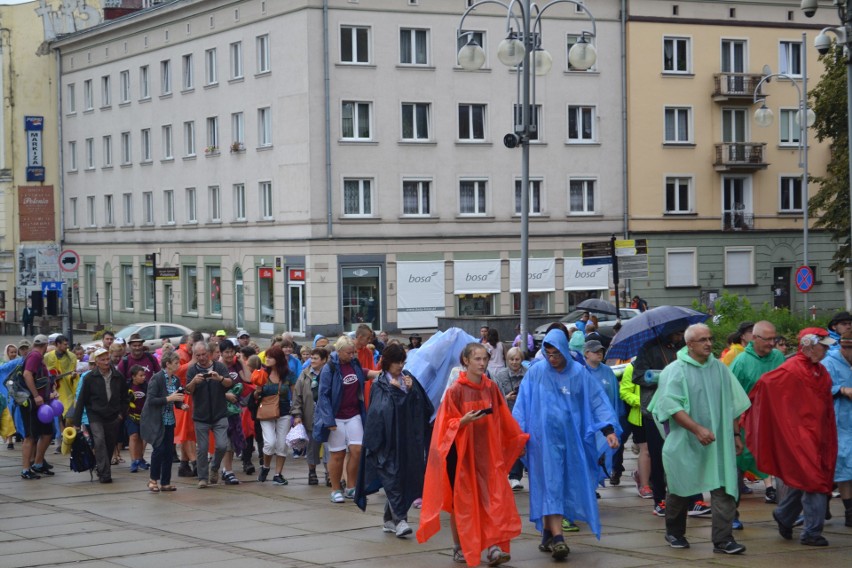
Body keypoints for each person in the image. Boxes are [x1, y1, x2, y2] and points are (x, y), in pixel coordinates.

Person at [417, 342, 528, 567]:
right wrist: (462, 421)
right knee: (463, 504)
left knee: (493, 498)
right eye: (477, 359)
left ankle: (494, 546)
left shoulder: (491, 388)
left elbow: (503, 416)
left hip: (486, 454)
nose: (482, 363)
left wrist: (515, 438)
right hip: (460, 456)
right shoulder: (455, 391)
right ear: (466, 361)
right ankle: (460, 547)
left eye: (485, 359)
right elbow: (443, 425)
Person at [512, 330, 619, 560]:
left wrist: (608, 430)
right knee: (550, 485)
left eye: (556, 353)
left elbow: (597, 401)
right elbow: (521, 406)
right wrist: (518, 437)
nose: (552, 358)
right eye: (548, 354)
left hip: (572, 442)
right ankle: (559, 538)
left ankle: (549, 532)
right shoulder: (536, 373)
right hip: (542, 443)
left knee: (564, 485)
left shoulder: (579, 374)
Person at [647, 323, 750, 555]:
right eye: (703, 340)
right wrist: (697, 429)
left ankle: (723, 540)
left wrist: (734, 434)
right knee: (681, 487)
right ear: (689, 344)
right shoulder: (676, 370)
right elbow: (671, 406)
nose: (709, 344)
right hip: (686, 442)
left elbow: (733, 403)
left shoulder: (720, 369)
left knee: (723, 486)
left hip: (719, 442)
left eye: (710, 338)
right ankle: (674, 532)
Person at [744, 328, 837, 547]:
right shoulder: (792, 369)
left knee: (806, 479)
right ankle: (812, 533)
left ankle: (785, 515)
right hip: (800, 437)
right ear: (809, 344)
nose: (826, 348)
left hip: (817, 435)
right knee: (814, 480)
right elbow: (764, 386)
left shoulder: (819, 370)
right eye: (822, 344)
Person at [355, 344, 433, 538]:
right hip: (388, 442)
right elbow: (379, 413)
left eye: (402, 362)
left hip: (409, 440)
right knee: (393, 477)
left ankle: (390, 520)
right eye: (397, 362)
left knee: (405, 478)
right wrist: (397, 393)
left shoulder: (409, 379)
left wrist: (411, 390)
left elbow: (423, 408)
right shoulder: (380, 385)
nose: (400, 366)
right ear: (387, 363)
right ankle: (401, 521)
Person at [633, 328, 710, 517]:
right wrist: (663, 377)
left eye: (682, 333)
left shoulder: (685, 349)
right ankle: (660, 500)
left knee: (688, 455)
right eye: (676, 332)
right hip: (656, 411)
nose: (679, 336)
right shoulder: (649, 348)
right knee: (658, 456)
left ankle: (695, 500)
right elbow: (638, 376)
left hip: (684, 411)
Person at [313, 336, 379, 502]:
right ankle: (335, 489)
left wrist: (379, 373)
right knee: (338, 454)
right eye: (349, 353)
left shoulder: (354, 363)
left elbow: (363, 373)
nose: (352, 355)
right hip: (336, 417)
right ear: (339, 351)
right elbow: (323, 395)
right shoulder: (329, 369)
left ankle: (351, 486)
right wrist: (329, 421)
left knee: (357, 451)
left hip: (354, 414)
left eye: (353, 352)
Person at [728, 321, 786, 511]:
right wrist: (735, 433)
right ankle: (731, 515)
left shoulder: (778, 357)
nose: (771, 343)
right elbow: (730, 400)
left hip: (773, 422)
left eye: (773, 339)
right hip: (745, 424)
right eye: (767, 339)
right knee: (737, 468)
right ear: (754, 339)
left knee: (783, 466)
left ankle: (786, 514)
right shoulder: (741, 362)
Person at [70, 347, 130, 483]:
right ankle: (105, 474)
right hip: (95, 415)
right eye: (102, 360)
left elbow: (125, 397)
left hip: (113, 416)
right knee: (99, 441)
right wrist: (76, 422)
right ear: (96, 362)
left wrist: (121, 414)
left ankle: (102, 467)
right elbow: (82, 400)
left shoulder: (117, 376)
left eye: (107, 359)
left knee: (109, 444)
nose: (106, 362)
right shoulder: (90, 377)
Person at [183, 340, 232, 488]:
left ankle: (215, 467)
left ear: (209, 354)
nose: (202, 358)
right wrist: (193, 382)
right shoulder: (192, 370)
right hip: (201, 416)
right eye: (198, 355)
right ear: (194, 356)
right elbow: (187, 391)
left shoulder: (219, 366)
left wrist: (220, 378)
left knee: (223, 445)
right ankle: (202, 478)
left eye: (204, 354)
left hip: (220, 413)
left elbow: (230, 383)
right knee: (202, 449)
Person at [140, 351, 186, 492]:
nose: (178, 365)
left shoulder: (176, 380)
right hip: (156, 420)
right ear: (168, 364)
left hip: (169, 421)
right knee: (158, 450)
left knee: (168, 452)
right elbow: (151, 400)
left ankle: (165, 482)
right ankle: (153, 480)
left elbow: (177, 398)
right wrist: (168, 399)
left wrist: (181, 405)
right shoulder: (157, 379)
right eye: (176, 363)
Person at [252, 343, 296, 485]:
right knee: (270, 443)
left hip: (284, 412)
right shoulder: (262, 373)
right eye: (267, 357)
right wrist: (257, 391)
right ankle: (265, 467)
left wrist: (296, 413)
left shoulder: (288, 375)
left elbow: (295, 394)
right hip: (266, 411)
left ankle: (278, 474)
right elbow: (255, 395)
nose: (267, 359)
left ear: (278, 359)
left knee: (282, 445)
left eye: (270, 357)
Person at [583, 340, 623, 485]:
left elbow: (615, 396)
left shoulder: (607, 371)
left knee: (603, 454)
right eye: (595, 351)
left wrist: (616, 418)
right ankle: (589, 486)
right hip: (589, 422)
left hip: (606, 423)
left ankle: (594, 484)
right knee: (589, 454)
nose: (599, 353)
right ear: (586, 353)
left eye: (601, 351)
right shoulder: (582, 372)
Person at [823, 331, 852, 527]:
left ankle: (823, 501)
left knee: (845, 467)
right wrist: (841, 389)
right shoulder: (829, 363)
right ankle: (849, 511)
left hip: (849, 422)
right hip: (837, 423)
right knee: (843, 466)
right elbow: (820, 388)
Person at [19, 335, 55, 479]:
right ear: (46, 345)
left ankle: (38, 463)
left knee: (47, 432)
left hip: (41, 404)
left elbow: (42, 378)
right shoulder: (34, 356)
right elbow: (27, 374)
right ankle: (26, 469)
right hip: (31, 403)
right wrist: (36, 395)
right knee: (30, 436)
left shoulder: (37, 356)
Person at [292, 347, 329, 485]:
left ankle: (329, 473)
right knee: (312, 447)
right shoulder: (304, 374)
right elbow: (297, 396)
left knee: (328, 447)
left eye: (315, 358)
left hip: (327, 417)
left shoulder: (330, 373)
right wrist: (297, 414)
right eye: (311, 358)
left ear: (324, 360)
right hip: (310, 416)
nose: (312, 361)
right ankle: (312, 472)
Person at [494, 347, 527, 491]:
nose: (514, 362)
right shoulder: (500, 375)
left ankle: (515, 477)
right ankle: (505, 474)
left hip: (523, 415)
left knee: (520, 445)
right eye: (511, 359)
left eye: (517, 359)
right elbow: (496, 396)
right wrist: (506, 398)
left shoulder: (528, 374)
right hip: (506, 414)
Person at [618, 363, 652, 498]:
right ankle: (644, 485)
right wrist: (641, 402)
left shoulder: (662, 363)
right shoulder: (632, 367)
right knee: (646, 450)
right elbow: (625, 392)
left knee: (658, 451)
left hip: (659, 414)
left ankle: (642, 475)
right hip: (639, 417)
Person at [126, 365, 150, 473]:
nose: (143, 377)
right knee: (134, 436)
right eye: (140, 376)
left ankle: (140, 458)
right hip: (131, 416)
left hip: (144, 417)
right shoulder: (127, 386)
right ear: (133, 377)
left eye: (144, 375)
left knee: (142, 438)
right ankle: (133, 461)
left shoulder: (146, 386)